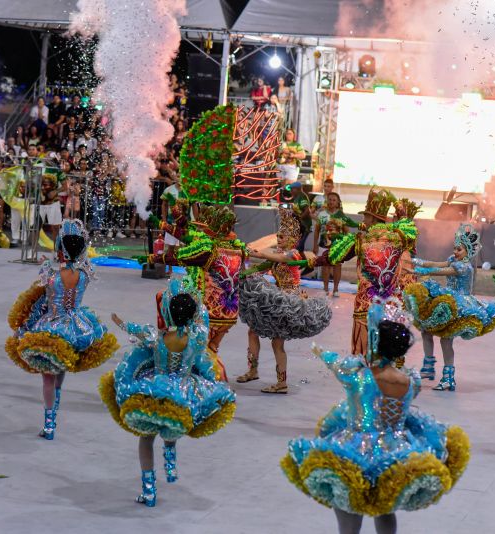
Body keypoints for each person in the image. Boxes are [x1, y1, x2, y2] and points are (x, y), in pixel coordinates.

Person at [281, 298, 471, 534]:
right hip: (395, 451)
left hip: (353, 448)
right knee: (385, 506)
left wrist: (319, 350)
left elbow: (333, 362)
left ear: (375, 344)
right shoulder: (411, 381)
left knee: (348, 502)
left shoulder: (357, 375)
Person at [99, 278, 236, 507]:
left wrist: (119, 322)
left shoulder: (157, 336)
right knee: (173, 423)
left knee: (146, 436)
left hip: (155, 389)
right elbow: (202, 324)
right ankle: (170, 463)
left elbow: (136, 329)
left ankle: (149, 490)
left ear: (168, 313)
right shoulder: (197, 338)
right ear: (192, 315)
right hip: (183, 391)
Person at [6, 220, 118, 440]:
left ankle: (49, 425)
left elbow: (39, 299)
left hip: (50, 327)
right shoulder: (86, 273)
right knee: (62, 365)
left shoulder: (49, 272)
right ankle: (54, 413)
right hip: (77, 327)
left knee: (48, 377)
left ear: (61, 248)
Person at [298, 189, 417, 355]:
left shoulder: (361, 239)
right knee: (390, 350)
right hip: (390, 305)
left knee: (363, 352)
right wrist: (396, 203)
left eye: (366, 216)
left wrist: (310, 261)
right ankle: (388, 377)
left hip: (366, 304)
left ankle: (367, 376)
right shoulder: (399, 236)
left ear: (373, 218)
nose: (363, 219)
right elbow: (408, 224)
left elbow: (333, 257)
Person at [142, 205, 246, 381]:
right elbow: (187, 235)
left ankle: (211, 385)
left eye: (205, 228)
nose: (202, 230)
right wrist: (165, 224)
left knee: (201, 353)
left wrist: (154, 258)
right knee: (210, 351)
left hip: (209, 314)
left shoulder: (209, 249)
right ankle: (211, 382)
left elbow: (180, 257)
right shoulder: (237, 248)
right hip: (229, 314)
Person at [237, 208, 332, 392]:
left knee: (277, 342)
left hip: (288, 302)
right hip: (277, 298)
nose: (278, 239)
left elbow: (279, 258)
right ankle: (253, 370)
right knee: (252, 332)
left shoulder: (293, 254)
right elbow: (261, 267)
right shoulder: (278, 255)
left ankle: (281, 383)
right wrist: (240, 273)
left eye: (282, 237)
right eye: (278, 236)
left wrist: (258, 253)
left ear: (292, 239)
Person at [403, 224, 495, 391]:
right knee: (426, 329)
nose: (456, 252)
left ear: (468, 252)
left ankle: (449, 378)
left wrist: (415, 271)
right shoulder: (453, 260)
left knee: (445, 339)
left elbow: (439, 271)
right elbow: (436, 263)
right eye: (455, 248)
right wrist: (413, 260)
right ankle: (428, 366)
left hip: (460, 305)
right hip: (448, 297)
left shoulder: (464, 267)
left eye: (460, 250)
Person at [313, 192, 360, 296]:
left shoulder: (341, 216)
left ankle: (335, 290)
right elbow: (316, 230)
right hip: (323, 244)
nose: (331, 202)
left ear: (338, 202)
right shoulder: (321, 214)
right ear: (327, 201)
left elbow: (347, 231)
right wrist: (315, 245)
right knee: (325, 266)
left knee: (337, 266)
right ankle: (325, 289)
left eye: (334, 200)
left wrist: (346, 244)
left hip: (337, 246)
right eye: (330, 199)